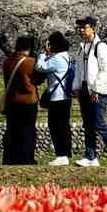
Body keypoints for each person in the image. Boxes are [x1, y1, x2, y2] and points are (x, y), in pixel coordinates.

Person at [73, 17, 107, 167]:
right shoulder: (82, 48)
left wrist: (96, 89)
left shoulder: (100, 47)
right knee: (88, 124)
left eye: (85, 27)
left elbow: (106, 70)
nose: (81, 30)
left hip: (98, 91)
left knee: (99, 123)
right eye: (80, 27)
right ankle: (90, 156)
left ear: (94, 29)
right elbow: (79, 70)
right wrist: (76, 88)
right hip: (84, 91)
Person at [34, 31, 75, 165]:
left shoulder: (56, 59)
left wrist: (43, 54)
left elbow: (40, 67)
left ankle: (61, 155)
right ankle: (65, 154)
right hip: (66, 97)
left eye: (49, 44)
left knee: (55, 126)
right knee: (64, 126)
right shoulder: (66, 57)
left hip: (57, 97)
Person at [1, 36, 40, 166]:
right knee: (27, 130)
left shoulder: (7, 62)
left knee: (11, 130)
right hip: (28, 101)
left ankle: (9, 158)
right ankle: (26, 158)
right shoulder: (30, 62)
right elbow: (39, 79)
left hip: (12, 101)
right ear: (29, 48)